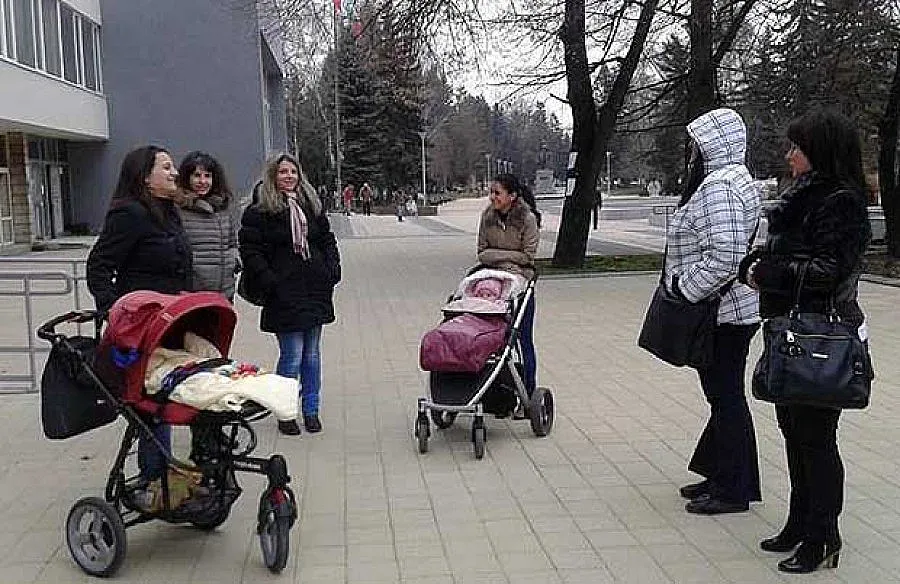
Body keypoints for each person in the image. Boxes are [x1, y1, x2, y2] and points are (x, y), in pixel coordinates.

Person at [738, 110, 871, 573]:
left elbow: (828, 272)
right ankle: (800, 521)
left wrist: (770, 274)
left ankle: (823, 537)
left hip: (822, 335)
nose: (789, 153)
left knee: (816, 438)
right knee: (794, 432)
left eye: (797, 146)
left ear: (820, 151)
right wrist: (754, 264)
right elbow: (782, 251)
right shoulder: (801, 196)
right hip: (790, 332)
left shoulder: (841, 202)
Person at [665, 108, 762, 516]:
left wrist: (687, 290)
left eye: (695, 145)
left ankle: (735, 489)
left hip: (723, 312)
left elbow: (726, 255)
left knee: (725, 398)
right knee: (723, 396)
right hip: (732, 310)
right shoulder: (736, 179)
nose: (690, 153)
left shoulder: (719, 186)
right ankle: (722, 473)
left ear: (710, 146)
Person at [86, 145, 191, 488]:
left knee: (171, 398)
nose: (175, 172)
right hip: (143, 329)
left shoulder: (167, 212)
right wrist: (117, 315)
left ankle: (167, 474)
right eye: (166, 167)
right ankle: (153, 479)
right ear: (145, 178)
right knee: (153, 406)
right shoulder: (130, 214)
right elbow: (99, 266)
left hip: (173, 323)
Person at [239, 153, 341, 436]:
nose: (289, 176)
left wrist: (332, 269)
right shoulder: (260, 211)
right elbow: (250, 250)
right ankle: (285, 410)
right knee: (292, 355)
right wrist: (270, 281)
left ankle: (311, 409)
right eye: (283, 172)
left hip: (314, 289)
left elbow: (326, 239)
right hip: (283, 293)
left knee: (312, 355)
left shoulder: (311, 205)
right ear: (273, 176)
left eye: (293, 172)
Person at [477, 173, 541, 396]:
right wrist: (508, 258)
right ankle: (495, 390)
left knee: (522, 338)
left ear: (512, 196)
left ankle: (528, 390)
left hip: (520, 282)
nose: (492, 197)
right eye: (491, 192)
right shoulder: (487, 217)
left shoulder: (527, 219)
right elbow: (482, 254)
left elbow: (528, 257)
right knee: (493, 338)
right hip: (492, 281)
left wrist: (500, 258)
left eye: (497, 193)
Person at [175, 151, 239, 300]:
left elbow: (232, 243)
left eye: (207, 176)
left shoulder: (223, 209)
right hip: (192, 293)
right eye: (197, 176)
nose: (203, 181)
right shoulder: (177, 210)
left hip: (225, 292)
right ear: (187, 178)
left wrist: (233, 261)